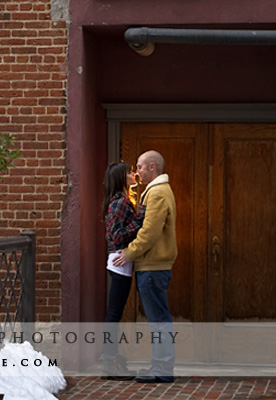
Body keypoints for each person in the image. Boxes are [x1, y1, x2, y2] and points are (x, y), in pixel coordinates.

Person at [113, 150, 177, 383]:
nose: (137, 172)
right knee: (159, 319)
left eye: (139, 167)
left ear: (152, 166)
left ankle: (161, 369)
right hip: (151, 265)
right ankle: (161, 367)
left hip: (152, 266)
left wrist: (129, 253)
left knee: (159, 320)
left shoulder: (158, 192)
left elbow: (149, 233)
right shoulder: (156, 190)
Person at [100, 162, 146, 381]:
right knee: (113, 314)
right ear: (120, 178)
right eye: (128, 172)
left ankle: (112, 360)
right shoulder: (119, 202)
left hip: (121, 262)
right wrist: (140, 219)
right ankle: (110, 363)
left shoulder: (121, 200)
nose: (133, 174)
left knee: (114, 314)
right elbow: (118, 235)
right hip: (119, 261)